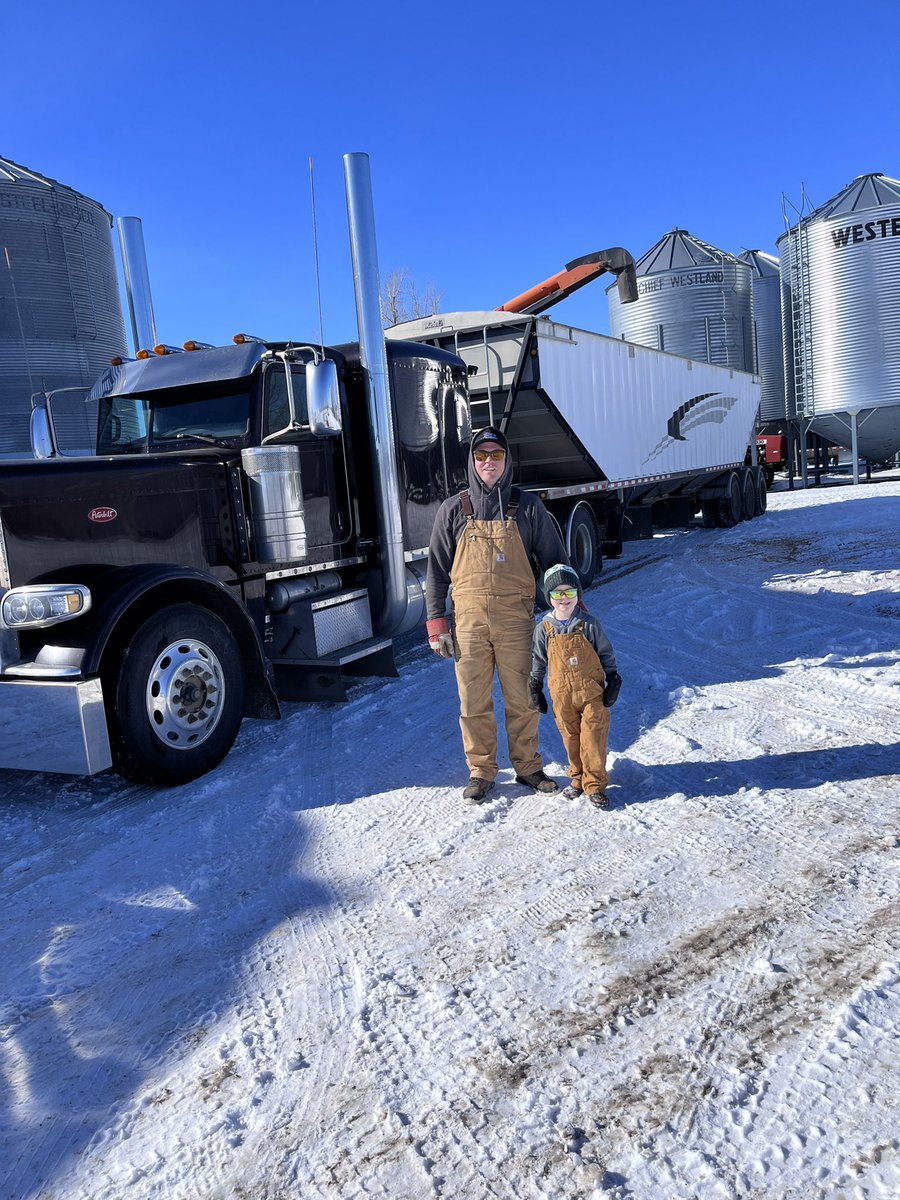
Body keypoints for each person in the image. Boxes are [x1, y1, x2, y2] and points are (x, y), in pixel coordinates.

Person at [426, 426, 569, 803]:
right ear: (472, 462)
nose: (489, 461)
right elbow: (437, 573)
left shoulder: (529, 507)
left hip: (516, 621)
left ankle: (528, 767)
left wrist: (568, 611)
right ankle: (481, 771)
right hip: (468, 623)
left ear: (507, 461)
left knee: (523, 696)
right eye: (481, 455)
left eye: (497, 455)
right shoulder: (453, 510)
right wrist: (436, 623)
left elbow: (555, 564)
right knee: (473, 702)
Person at [529, 563, 622, 810]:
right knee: (570, 737)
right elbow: (538, 659)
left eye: (569, 592)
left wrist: (612, 678)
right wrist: (535, 685)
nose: (564, 599)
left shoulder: (589, 624)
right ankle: (577, 778)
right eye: (557, 593)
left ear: (578, 595)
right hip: (561, 694)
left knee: (592, 737)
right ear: (548, 597)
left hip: (591, 692)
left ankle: (595, 785)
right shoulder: (544, 629)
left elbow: (605, 653)